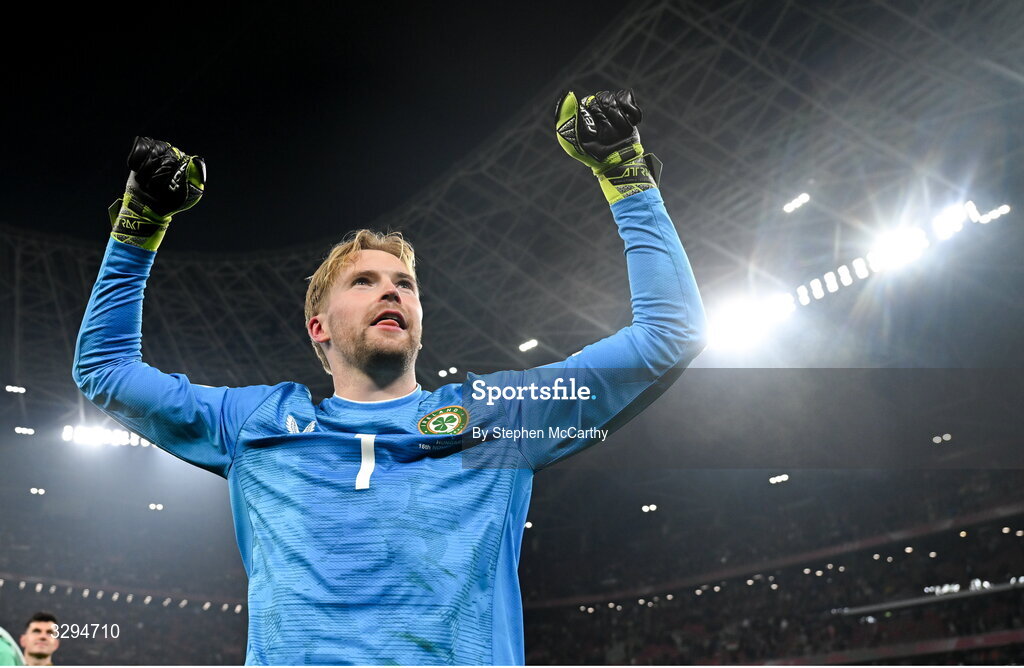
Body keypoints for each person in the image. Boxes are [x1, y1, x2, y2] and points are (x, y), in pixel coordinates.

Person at [73, 89, 707, 664]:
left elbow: (667, 335)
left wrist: (626, 175)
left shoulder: (498, 418)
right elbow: (104, 369)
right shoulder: (253, 425)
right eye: (365, 281)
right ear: (318, 326)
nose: (393, 292)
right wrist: (140, 223)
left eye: (405, 283)